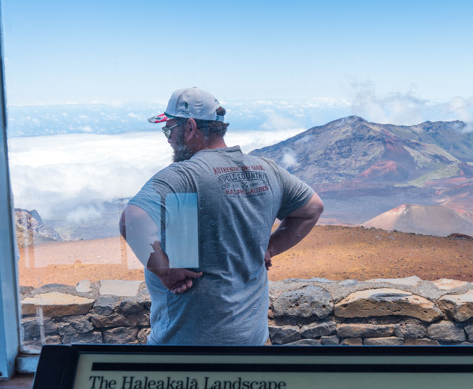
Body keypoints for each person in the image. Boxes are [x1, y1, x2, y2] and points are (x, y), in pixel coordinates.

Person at [122, 87, 323, 345]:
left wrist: (165, 271)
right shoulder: (268, 170)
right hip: (252, 341)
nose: (169, 138)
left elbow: (132, 219)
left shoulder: (183, 176)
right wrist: (270, 247)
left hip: (184, 346)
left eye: (169, 129)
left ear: (191, 127)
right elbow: (312, 208)